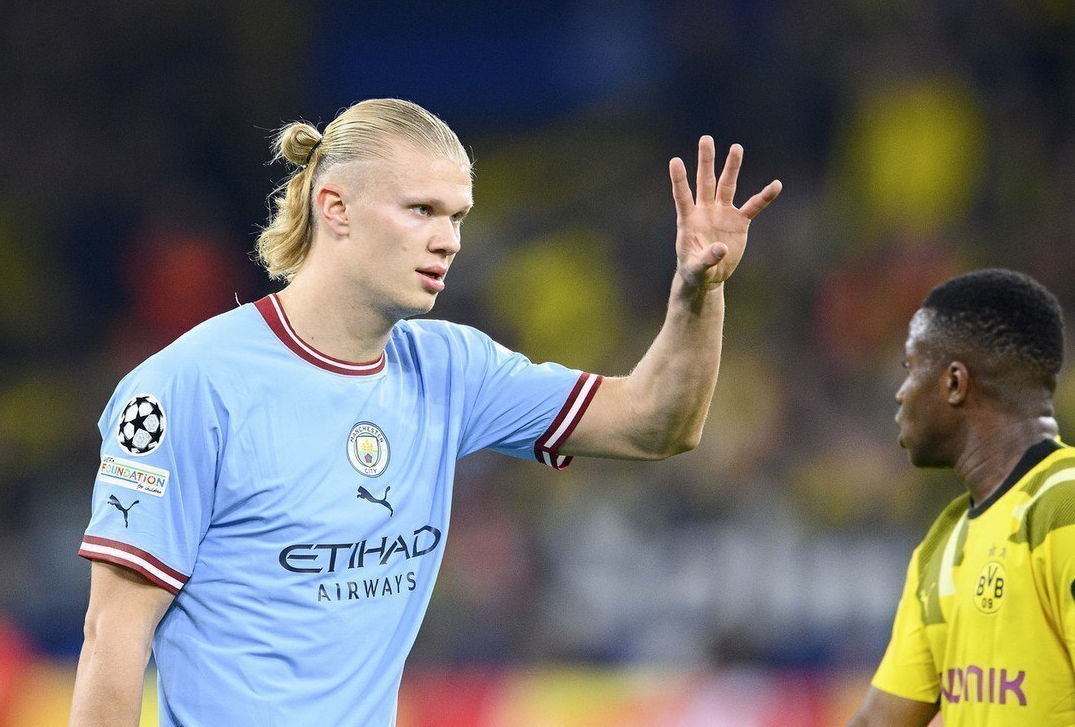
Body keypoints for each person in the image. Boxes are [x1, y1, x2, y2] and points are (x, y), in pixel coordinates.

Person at [68, 98, 781, 727]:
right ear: (335, 208)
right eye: (422, 211)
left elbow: (656, 424)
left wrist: (699, 291)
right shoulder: (187, 388)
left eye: (457, 216)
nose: (450, 240)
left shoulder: (450, 368)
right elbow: (112, 638)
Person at [848, 269, 1074, 727]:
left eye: (910, 368)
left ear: (954, 382)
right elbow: (879, 721)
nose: (900, 393)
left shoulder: (1062, 506)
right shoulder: (943, 544)